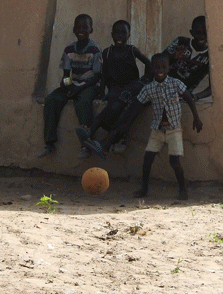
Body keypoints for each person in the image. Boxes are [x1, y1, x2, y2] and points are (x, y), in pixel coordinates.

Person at [85, 53, 203, 200]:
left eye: (163, 67)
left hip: (174, 129)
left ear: (169, 68)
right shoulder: (149, 88)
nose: (160, 70)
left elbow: (189, 98)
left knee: (174, 161)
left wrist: (196, 118)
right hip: (157, 129)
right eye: (157, 67)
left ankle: (182, 190)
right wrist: (126, 125)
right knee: (147, 159)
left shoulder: (175, 83)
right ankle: (144, 189)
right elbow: (137, 105)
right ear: (152, 69)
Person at [75, 20, 151, 156]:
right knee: (114, 100)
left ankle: (95, 132)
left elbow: (148, 63)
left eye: (123, 33)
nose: (120, 36)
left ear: (129, 35)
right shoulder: (107, 52)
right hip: (115, 87)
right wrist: (101, 91)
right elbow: (104, 74)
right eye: (117, 33)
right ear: (112, 35)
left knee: (120, 101)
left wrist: (144, 80)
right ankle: (96, 136)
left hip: (130, 86)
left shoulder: (132, 50)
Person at [37, 14, 102, 158]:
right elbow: (66, 76)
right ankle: (49, 143)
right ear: (73, 29)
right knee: (51, 99)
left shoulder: (95, 50)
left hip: (89, 85)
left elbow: (97, 76)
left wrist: (78, 89)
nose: (81, 30)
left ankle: (86, 144)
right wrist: (69, 87)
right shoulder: (69, 50)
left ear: (91, 30)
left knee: (83, 103)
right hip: (74, 85)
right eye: (78, 27)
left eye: (85, 27)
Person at [165, 15, 211, 100]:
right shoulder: (181, 42)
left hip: (181, 93)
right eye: (198, 33)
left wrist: (195, 96)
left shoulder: (209, 57)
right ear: (191, 33)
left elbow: (212, 88)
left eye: (205, 33)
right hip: (163, 84)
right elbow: (162, 59)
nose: (202, 36)